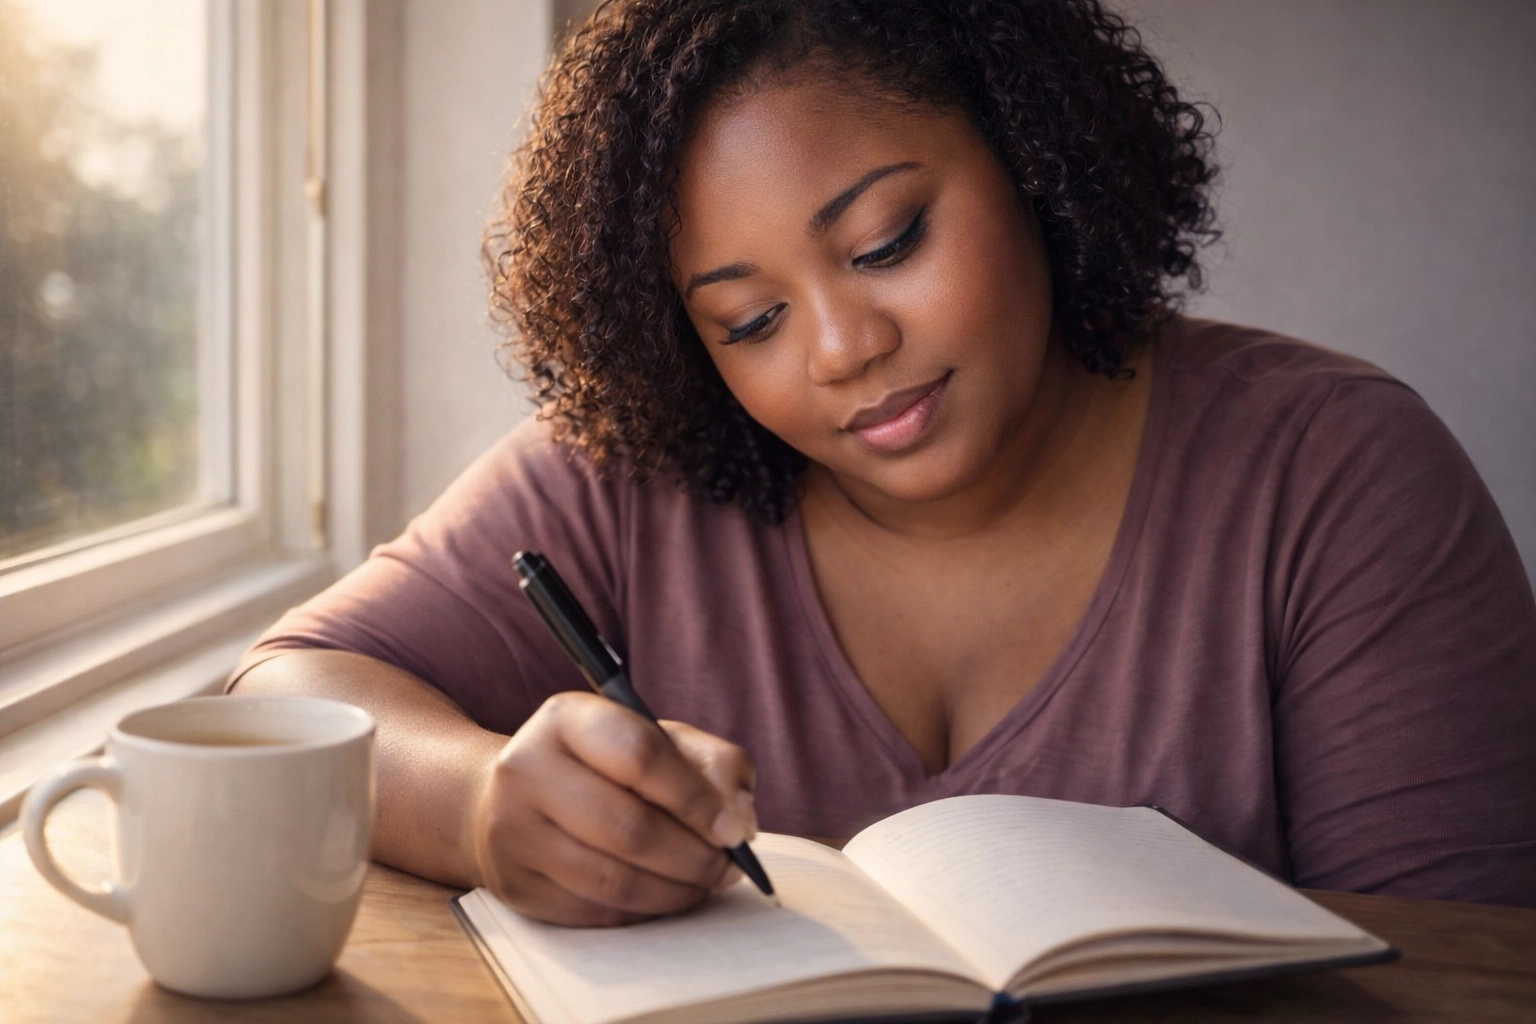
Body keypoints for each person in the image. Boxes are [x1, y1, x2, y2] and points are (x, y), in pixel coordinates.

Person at [229, 0, 1536, 924]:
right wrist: (473, 808)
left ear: (1035, 158)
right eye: (749, 320)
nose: (844, 348)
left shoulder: (1339, 476)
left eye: (887, 241)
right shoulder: (632, 472)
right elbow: (271, 698)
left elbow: (1462, 970)